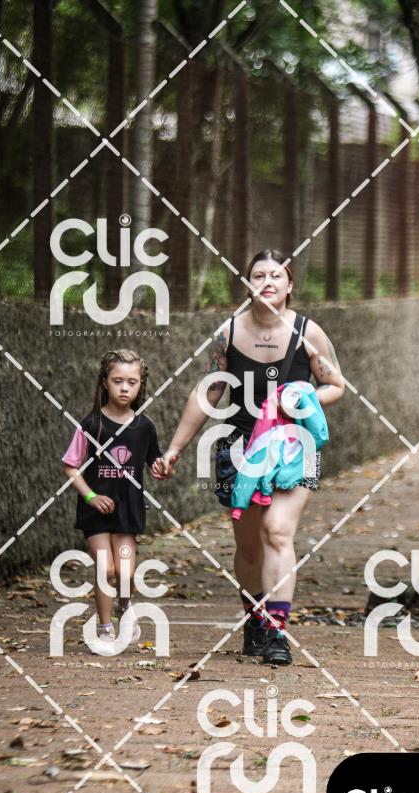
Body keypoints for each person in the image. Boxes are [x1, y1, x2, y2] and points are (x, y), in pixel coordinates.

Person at [156, 249, 344, 665]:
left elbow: (336, 384)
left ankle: (277, 632)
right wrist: (174, 450)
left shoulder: (308, 333)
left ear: (290, 285)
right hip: (239, 447)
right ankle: (255, 620)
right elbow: (208, 392)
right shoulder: (228, 334)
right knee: (249, 547)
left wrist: (301, 399)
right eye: (258, 275)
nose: (267, 282)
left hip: (294, 447)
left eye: (276, 275)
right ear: (247, 284)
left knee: (277, 531)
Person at [62, 349, 164, 648]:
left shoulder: (145, 426)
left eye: (131, 382)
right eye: (117, 381)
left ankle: (124, 604)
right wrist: (90, 496)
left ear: (140, 385)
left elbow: (155, 463)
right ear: (104, 382)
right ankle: (105, 629)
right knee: (105, 568)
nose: (124, 388)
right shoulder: (90, 425)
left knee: (125, 571)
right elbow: (71, 466)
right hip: (96, 511)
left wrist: (163, 468)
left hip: (128, 509)